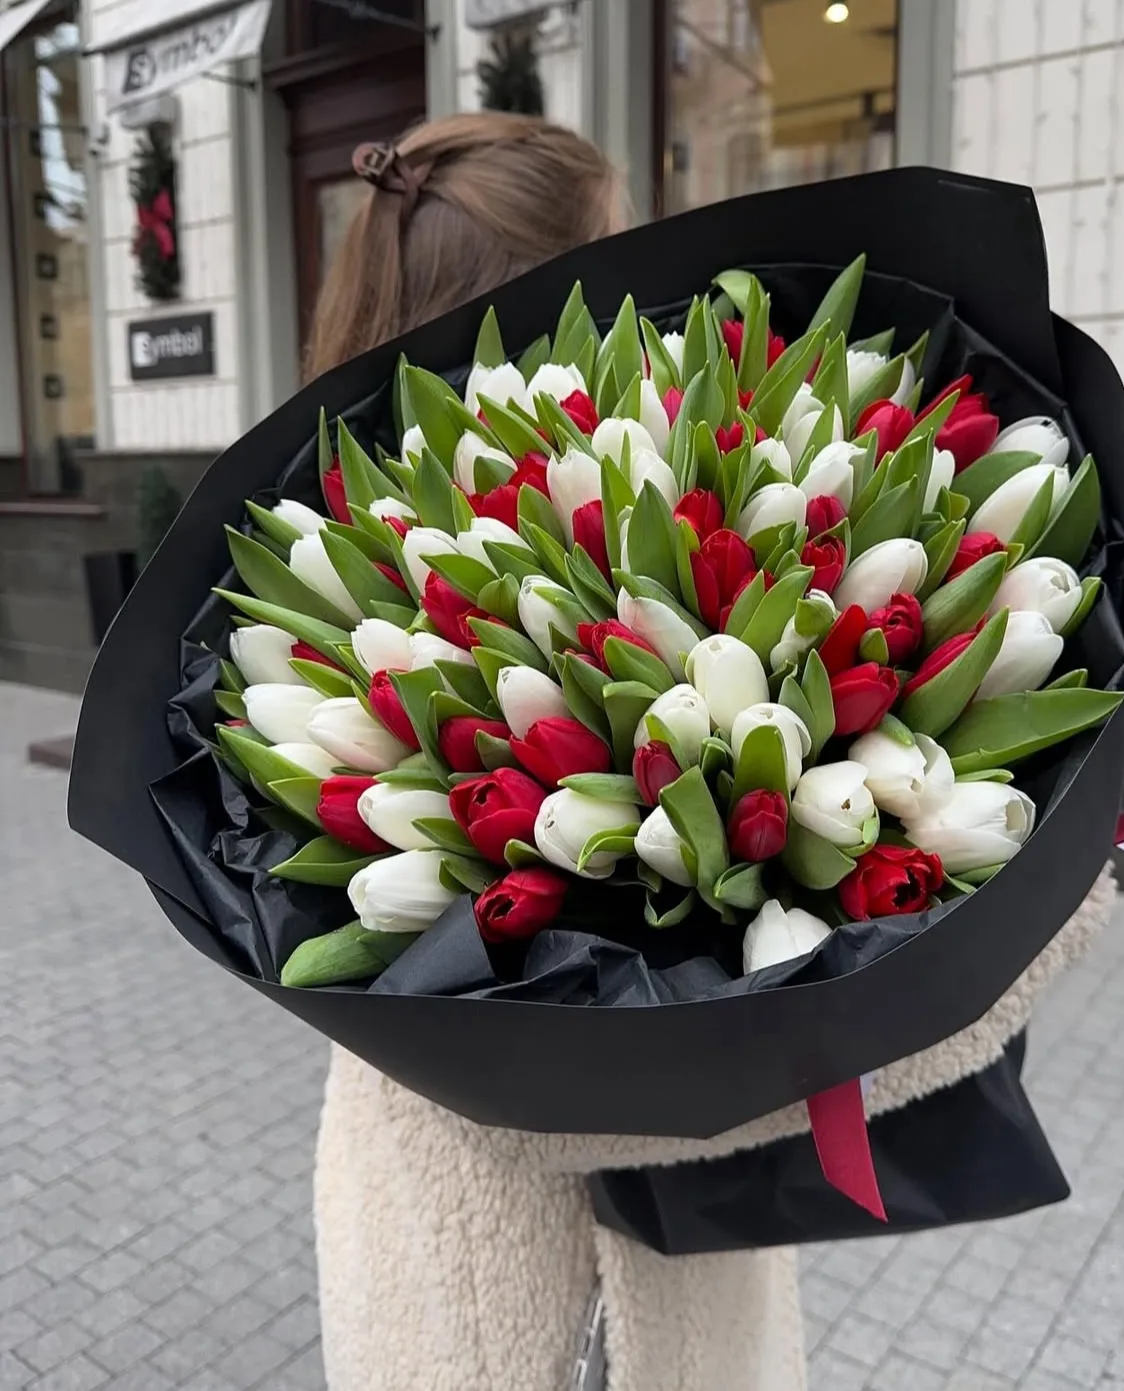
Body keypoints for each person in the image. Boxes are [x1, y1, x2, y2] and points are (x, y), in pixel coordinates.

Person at [306, 112, 811, 1391]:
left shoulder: (373, 527)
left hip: (442, 1261)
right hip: (508, 1299)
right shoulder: (351, 589)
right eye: (630, 247)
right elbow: (548, 1086)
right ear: (554, 299)